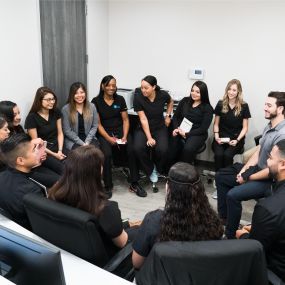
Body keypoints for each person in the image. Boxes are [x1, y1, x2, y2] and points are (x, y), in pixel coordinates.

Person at [216, 91, 285, 239]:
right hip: (256, 169)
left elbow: (271, 170)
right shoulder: (269, 125)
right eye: (265, 104)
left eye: (269, 105)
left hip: (268, 179)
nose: (264, 108)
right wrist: (244, 171)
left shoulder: (282, 134)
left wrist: (249, 177)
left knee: (233, 195)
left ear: (280, 109)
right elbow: (259, 151)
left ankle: (230, 235)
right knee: (221, 176)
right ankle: (225, 218)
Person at [48, 145, 137, 259]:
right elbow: (122, 243)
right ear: (96, 171)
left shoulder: (54, 194)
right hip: (106, 260)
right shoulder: (106, 208)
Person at [132, 162, 223, 269]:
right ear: (199, 190)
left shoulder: (153, 221)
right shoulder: (212, 220)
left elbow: (136, 263)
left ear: (168, 189)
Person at [236, 139, 285, 281]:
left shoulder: (267, 208)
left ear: (282, 164)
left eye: (270, 158)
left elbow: (253, 250)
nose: (267, 163)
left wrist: (242, 235)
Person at [92, 75, 146, 198]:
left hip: (120, 130)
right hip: (104, 132)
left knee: (132, 150)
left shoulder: (120, 99)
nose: (112, 88)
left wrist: (125, 136)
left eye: (114, 85)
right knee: (106, 154)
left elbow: (126, 120)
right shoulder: (96, 101)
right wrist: (108, 138)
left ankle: (134, 183)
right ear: (103, 86)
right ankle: (108, 185)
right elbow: (98, 124)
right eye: (109, 85)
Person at [133, 75, 173, 189]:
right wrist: (149, 138)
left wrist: (168, 116)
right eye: (142, 88)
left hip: (160, 127)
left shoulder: (162, 95)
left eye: (146, 88)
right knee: (138, 148)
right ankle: (151, 169)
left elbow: (170, 102)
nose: (143, 90)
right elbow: (143, 119)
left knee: (163, 150)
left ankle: (159, 168)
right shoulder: (138, 98)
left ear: (154, 87)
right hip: (144, 128)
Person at [0, 133, 46, 229]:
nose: (38, 151)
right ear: (20, 161)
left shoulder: (2, 176)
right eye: (34, 150)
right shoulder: (33, 191)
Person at [169, 80, 213, 165]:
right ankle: (170, 170)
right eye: (192, 90)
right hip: (180, 129)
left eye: (197, 92)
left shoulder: (207, 108)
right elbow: (176, 117)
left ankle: (183, 172)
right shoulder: (185, 101)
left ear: (203, 93)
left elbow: (203, 129)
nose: (194, 93)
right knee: (172, 145)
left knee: (188, 149)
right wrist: (176, 129)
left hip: (197, 133)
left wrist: (186, 134)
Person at [24, 87, 65, 175]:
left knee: (76, 164)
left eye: (53, 99)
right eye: (48, 100)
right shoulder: (32, 117)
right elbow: (37, 143)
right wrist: (55, 155)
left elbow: (60, 133)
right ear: (40, 100)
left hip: (59, 147)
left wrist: (60, 150)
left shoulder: (56, 111)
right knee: (64, 169)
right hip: (44, 152)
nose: (52, 102)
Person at [212, 79, 251, 171]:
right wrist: (217, 137)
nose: (231, 92)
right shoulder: (220, 104)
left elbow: (245, 128)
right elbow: (216, 124)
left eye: (234, 90)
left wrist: (237, 140)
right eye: (229, 89)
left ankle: (226, 177)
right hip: (220, 138)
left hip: (236, 139)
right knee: (219, 155)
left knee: (227, 155)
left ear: (238, 92)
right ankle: (218, 177)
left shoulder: (244, 106)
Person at [62, 82, 99, 151]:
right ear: (72, 95)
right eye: (76, 93)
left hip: (90, 139)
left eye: (82, 92)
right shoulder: (65, 109)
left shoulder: (92, 106)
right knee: (81, 156)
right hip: (73, 141)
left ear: (85, 93)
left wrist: (87, 141)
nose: (79, 95)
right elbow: (67, 130)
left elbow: (95, 125)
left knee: (94, 154)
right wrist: (82, 143)